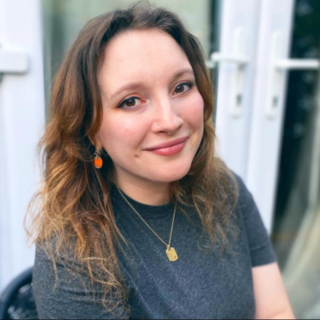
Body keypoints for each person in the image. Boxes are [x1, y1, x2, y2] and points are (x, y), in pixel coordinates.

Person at [25, 2, 295, 319]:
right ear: (91, 130)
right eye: (131, 101)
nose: (169, 120)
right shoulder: (72, 255)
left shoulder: (226, 189)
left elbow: (275, 311)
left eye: (181, 87)